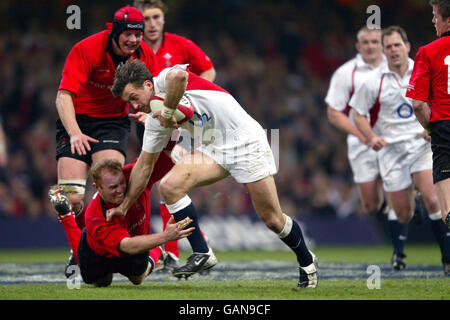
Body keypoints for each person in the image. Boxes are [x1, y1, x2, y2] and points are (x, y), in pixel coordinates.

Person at [107, 60, 319, 288]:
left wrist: (168, 112)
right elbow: (144, 168)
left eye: (133, 97)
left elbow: (179, 77)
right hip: (212, 148)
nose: (135, 106)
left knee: (273, 220)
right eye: (130, 102)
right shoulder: (154, 123)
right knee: (169, 186)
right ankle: (202, 251)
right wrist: (124, 205)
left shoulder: (164, 78)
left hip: (246, 142)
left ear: (149, 85)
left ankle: (307, 261)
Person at [54, 6, 158, 275]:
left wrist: (150, 113)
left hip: (113, 123)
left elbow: (155, 91)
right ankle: (85, 245)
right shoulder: (86, 49)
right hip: (76, 120)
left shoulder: (145, 55)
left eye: (138, 35)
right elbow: (63, 96)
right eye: (128, 35)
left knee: (111, 187)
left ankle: (118, 247)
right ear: (114, 30)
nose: (134, 41)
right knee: (73, 197)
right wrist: (75, 132)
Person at [350, 26, 450, 275]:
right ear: (383, 52)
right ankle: (409, 209)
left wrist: (431, 128)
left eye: (398, 45)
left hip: (421, 145)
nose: (394, 50)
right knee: (403, 212)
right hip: (391, 150)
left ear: (407, 47)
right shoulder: (374, 80)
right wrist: (371, 136)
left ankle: (447, 257)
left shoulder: (423, 66)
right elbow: (357, 113)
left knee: (434, 198)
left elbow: (435, 101)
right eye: (389, 47)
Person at [130, 0, 217, 269]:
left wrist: (187, 102)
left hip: (178, 122)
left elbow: (208, 70)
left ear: (164, 19)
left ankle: (171, 251)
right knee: (161, 183)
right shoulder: (135, 52)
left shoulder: (180, 45)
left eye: (156, 17)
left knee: (167, 182)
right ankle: (182, 246)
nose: (152, 23)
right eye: (146, 19)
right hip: (147, 122)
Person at [325, 27, 413, 269]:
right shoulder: (346, 73)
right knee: (371, 204)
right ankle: (400, 206)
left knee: (394, 188)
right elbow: (334, 113)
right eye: (366, 42)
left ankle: (399, 253)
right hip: (361, 144)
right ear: (358, 46)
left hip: (393, 140)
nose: (371, 46)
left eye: (375, 41)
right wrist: (361, 135)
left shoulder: (396, 66)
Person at [48, 158, 194, 287]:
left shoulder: (136, 176)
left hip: (134, 241)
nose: (120, 190)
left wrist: (169, 131)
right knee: (101, 282)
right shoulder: (95, 217)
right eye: (113, 187)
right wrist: (165, 236)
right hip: (100, 252)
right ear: (97, 188)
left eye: (121, 183)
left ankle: (158, 254)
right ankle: (66, 215)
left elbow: (161, 157)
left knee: (138, 279)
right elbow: (127, 245)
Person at [406, 0, 450, 228]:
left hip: (444, 128)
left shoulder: (427, 52)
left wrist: (431, 128)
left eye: (436, 16)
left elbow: (418, 105)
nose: (433, 20)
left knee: (448, 210)